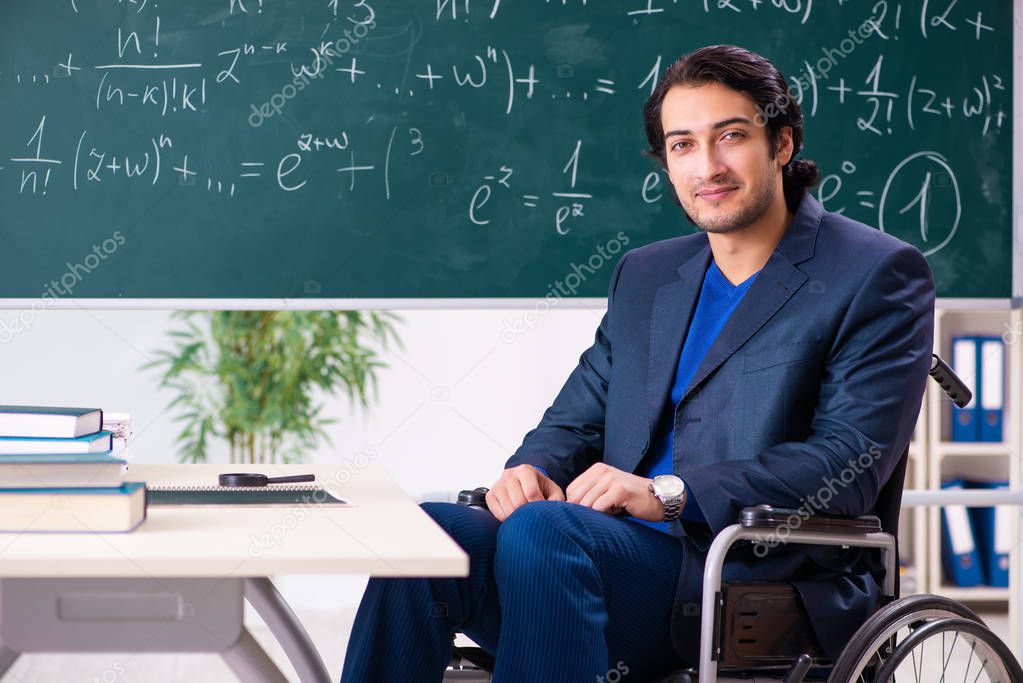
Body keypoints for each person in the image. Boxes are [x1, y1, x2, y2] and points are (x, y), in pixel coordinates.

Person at [340, 44, 935, 682]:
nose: (708, 165)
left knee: (547, 533)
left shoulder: (874, 272)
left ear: (782, 144)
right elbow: (579, 414)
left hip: (747, 578)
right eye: (683, 145)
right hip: (597, 560)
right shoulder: (648, 274)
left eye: (731, 136)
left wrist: (668, 494)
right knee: (430, 539)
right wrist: (531, 468)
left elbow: (846, 465)